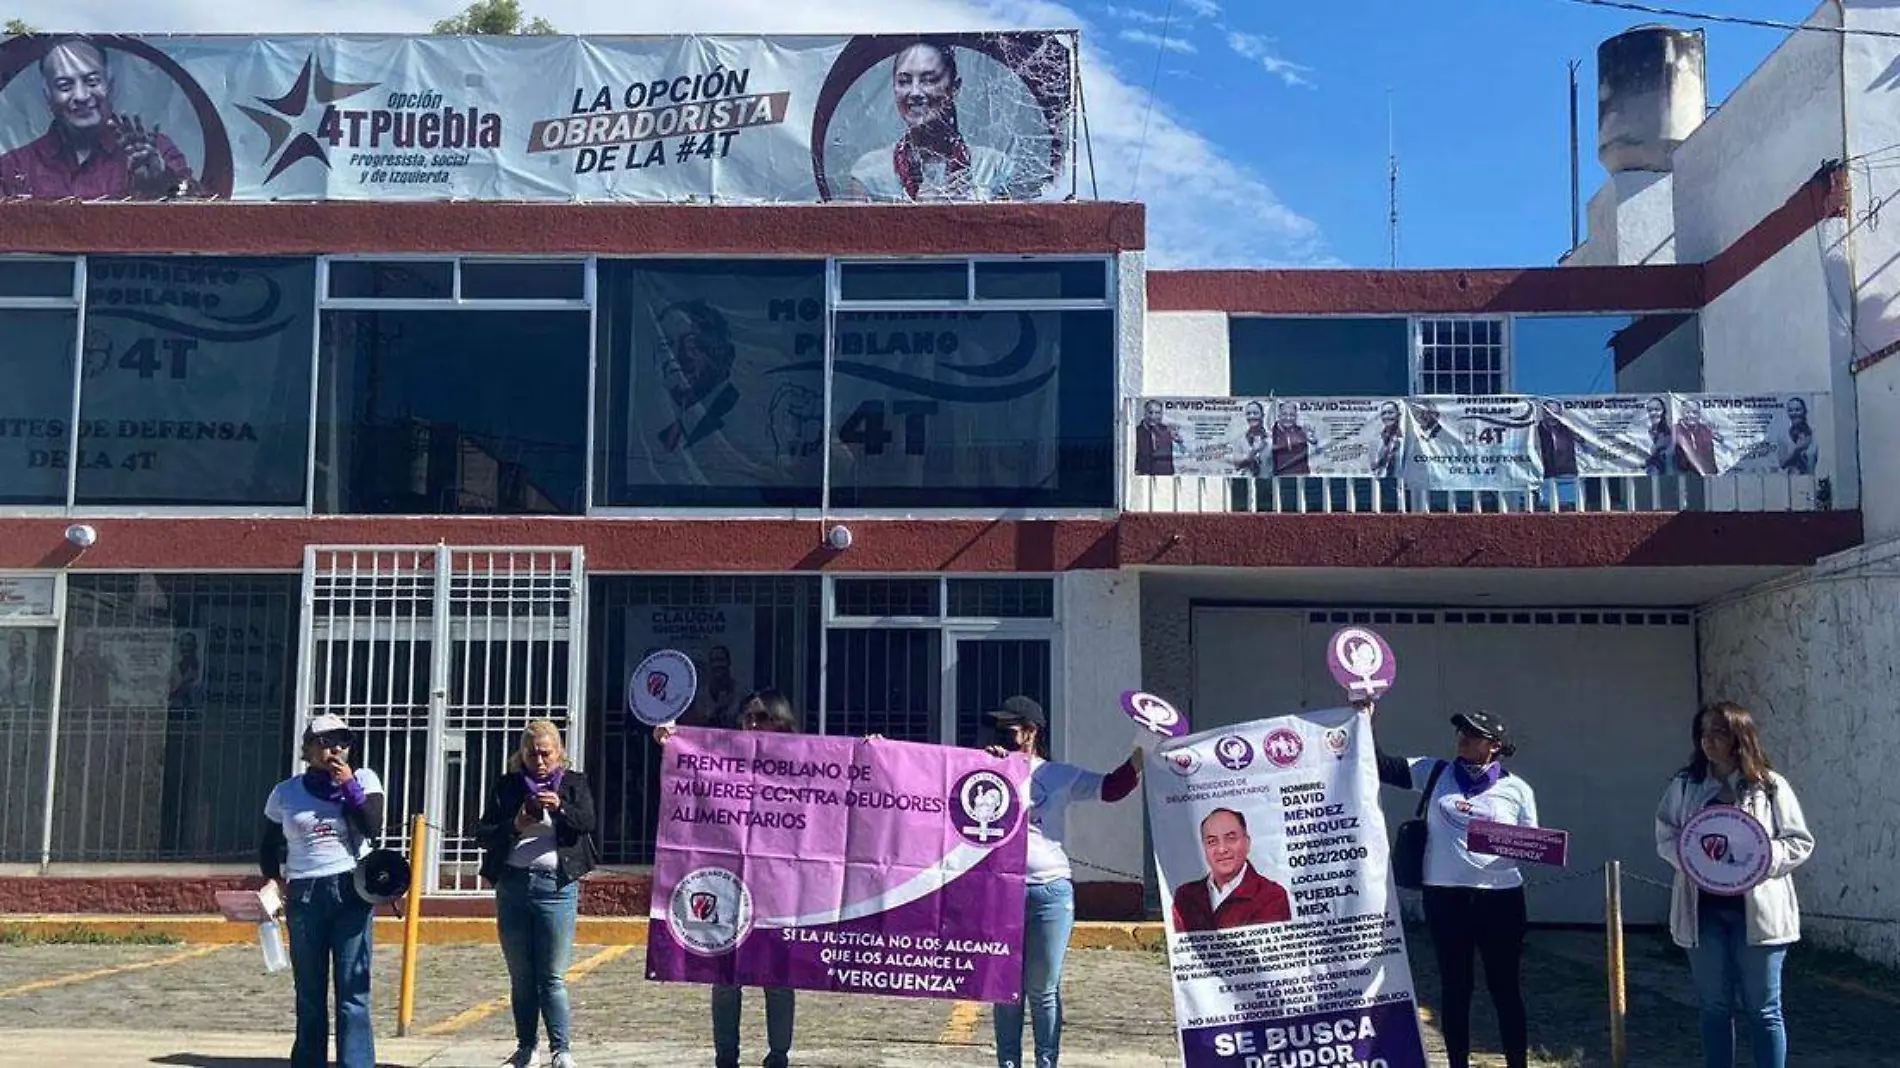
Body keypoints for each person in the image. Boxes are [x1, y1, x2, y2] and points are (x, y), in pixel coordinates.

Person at [1365, 702, 1537, 1068]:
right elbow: (1379, 765)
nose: (1462, 738)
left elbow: (1533, 844)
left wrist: (1509, 842)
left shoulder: (1517, 790)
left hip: (1501, 899)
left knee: (1505, 990)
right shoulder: (1434, 771)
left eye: (1473, 734)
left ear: (1493, 744)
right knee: (1455, 989)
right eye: (1461, 731)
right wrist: (1367, 718)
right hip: (1445, 898)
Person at [985, 695, 1142, 1068]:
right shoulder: (986, 767)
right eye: (998, 729)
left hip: (1049, 892)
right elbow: (927, 781)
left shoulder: (1058, 775)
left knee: (1042, 989)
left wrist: (1144, 749)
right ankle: (1008, 1063)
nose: (1001, 735)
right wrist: (881, 755)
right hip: (1000, 891)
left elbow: (1114, 787)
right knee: (1005, 988)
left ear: (1030, 732)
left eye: (1009, 729)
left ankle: (1045, 1062)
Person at [1653, 701, 1813, 1068]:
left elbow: (1798, 841)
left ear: (1739, 737)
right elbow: (1666, 835)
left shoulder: (1770, 786)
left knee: (1764, 1009)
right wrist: (1695, 863)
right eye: (1703, 733)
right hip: (1704, 912)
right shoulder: (1685, 785)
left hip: (1758, 915)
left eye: (1718, 732)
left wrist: (1759, 860)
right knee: (1713, 1007)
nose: (1708, 741)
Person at [654, 690, 801, 1068]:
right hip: (730, 883)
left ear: (780, 722)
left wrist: (872, 753)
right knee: (725, 975)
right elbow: (692, 769)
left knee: (779, 978)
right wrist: (671, 743)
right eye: (747, 718)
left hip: (781, 884)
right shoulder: (726, 753)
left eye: (760, 718)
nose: (751, 725)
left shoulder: (805, 759)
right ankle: (726, 1058)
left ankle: (778, 1056)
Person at [259, 714, 386, 1068]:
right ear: (309, 748)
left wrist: (349, 787)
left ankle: (355, 1063)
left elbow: (373, 826)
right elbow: (269, 844)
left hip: (350, 887)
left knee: (352, 989)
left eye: (342, 741)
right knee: (310, 990)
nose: (335, 749)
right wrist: (273, 879)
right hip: (305, 892)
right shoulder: (286, 792)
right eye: (326, 741)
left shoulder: (363, 779)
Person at [475, 720, 598, 1068]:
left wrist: (559, 807)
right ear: (521, 755)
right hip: (513, 884)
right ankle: (526, 1047)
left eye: (546, 753)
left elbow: (587, 822)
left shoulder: (574, 783)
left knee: (552, 975)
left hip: (555, 888)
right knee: (521, 975)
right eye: (532, 753)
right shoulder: (508, 786)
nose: (540, 760)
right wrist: (514, 825)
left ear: (559, 753)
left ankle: (562, 1049)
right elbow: (482, 834)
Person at [0, 37, 203, 200]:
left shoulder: (154, 153)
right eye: (65, 86)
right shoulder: (15, 167)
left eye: (92, 81)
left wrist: (163, 183)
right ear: (48, 97)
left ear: (110, 86)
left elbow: (205, 219)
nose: (81, 96)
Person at [848, 39, 1020, 202]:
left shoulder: (994, 167)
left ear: (954, 89)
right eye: (904, 81)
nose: (915, 92)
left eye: (929, 80)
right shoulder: (869, 173)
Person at [1170, 808, 1291, 932]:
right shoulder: (1185, 896)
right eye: (1212, 841)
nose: (1222, 849)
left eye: (1231, 838)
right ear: (1204, 848)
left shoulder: (1271, 896)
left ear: (1247, 843)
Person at [1270, 401, 1318, 477]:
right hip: (1279, 478)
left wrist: (1313, 441)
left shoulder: (1302, 431)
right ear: (1278, 415)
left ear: (1296, 416)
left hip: (1301, 477)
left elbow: (1318, 452)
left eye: (1291, 415)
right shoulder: (1272, 432)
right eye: (1284, 414)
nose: (1288, 418)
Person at [1135, 400, 1181, 476]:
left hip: (1165, 475)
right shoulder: (1135, 432)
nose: (1153, 416)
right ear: (1145, 413)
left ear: (1161, 414)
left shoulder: (1167, 430)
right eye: (1150, 412)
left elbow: (1182, 451)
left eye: (1157, 413)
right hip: (1143, 476)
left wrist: (1179, 441)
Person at [1779, 397, 1816, 475]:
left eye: (1797, 410)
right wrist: (1797, 450)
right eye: (1791, 410)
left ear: (1805, 411)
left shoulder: (1814, 435)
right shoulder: (1784, 437)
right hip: (1791, 482)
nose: (1794, 413)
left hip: (1810, 481)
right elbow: (1782, 464)